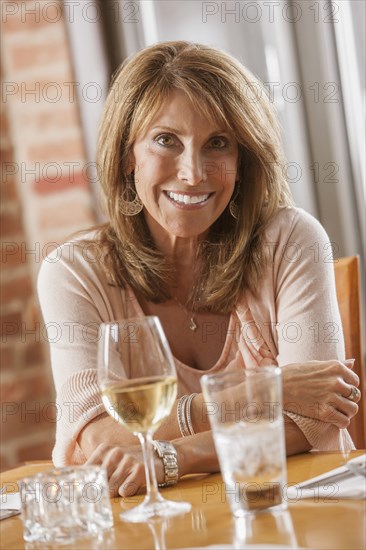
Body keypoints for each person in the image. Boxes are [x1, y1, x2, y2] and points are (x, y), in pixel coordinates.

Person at [38, 41, 361, 497]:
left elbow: (313, 418)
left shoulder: (291, 241)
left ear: (242, 160)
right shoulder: (73, 272)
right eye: (166, 140)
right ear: (128, 154)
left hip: (298, 514)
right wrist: (262, 394)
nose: (193, 173)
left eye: (218, 144)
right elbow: (98, 441)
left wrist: (172, 456)